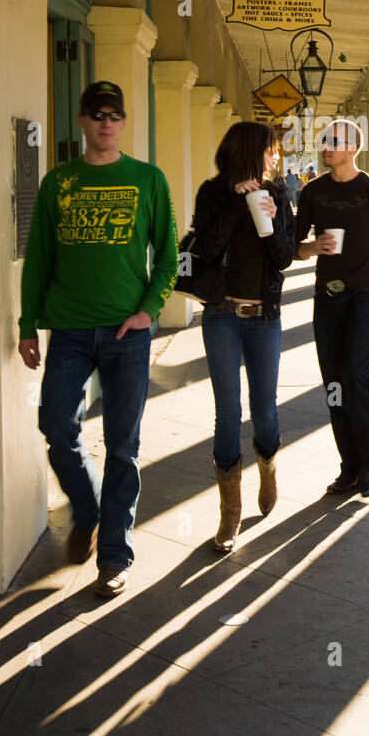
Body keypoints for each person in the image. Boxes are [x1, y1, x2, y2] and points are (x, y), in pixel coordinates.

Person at [19, 82, 178, 599]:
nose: (106, 122)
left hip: (125, 335)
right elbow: (39, 257)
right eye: (97, 114)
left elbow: (169, 258)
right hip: (67, 330)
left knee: (123, 448)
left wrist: (147, 311)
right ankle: (85, 510)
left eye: (115, 114)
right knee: (56, 426)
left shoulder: (148, 180)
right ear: (82, 122)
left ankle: (114, 555)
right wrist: (27, 325)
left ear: (123, 123)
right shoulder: (58, 184)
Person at [192, 122, 295, 553]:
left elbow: (286, 258)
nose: (275, 157)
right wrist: (237, 204)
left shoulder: (280, 194)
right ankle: (230, 513)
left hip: (263, 317)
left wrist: (270, 219)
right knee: (227, 413)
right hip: (221, 315)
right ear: (253, 151)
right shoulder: (212, 193)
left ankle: (268, 466)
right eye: (271, 150)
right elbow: (203, 251)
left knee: (266, 411)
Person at [295, 119, 369, 498]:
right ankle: (348, 467)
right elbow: (293, 247)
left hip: (363, 296)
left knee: (357, 376)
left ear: (352, 148)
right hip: (325, 298)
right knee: (334, 383)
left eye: (333, 141)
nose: (325, 146)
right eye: (322, 141)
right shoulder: (312, 193)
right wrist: (314, 248)